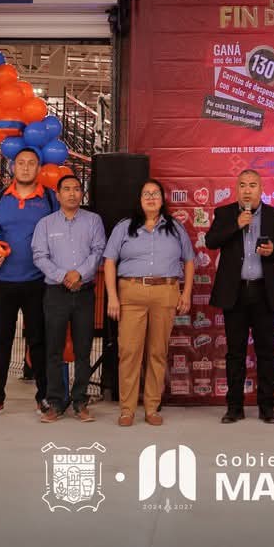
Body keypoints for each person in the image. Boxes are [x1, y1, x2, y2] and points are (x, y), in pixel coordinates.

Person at [204, 169, 274, 424]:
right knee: (235, 353)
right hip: (235, 293)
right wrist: (236, 225)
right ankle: (234, 407)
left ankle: (267, 407)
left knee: (266, 353)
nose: (247, 190)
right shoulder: (225, 214)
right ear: (237, 189)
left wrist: (273, 249)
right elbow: (211, 241)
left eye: (252, 185)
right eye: (242, 185)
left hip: (264, 292)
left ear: (261, 189)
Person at [102, 178, 194, 427]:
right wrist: (112, 296)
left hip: (165, 293)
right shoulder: (124, 227)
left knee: (157, 352)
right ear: (140, 200)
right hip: (131, 293)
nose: (151, 197)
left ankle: (152, 407)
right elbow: (109, 261)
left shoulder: (175, 228)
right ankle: (127, 410)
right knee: (129, 352)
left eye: (155, 193)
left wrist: (186, 293)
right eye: (146, 194)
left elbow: (189, 260)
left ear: (162, 199)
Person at [0, 147, 58, 417]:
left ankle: (44, 396)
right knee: (1, 341)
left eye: (31, 163)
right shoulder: (0, 198)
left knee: (38, 341)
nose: (25, 167)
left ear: (39, 168)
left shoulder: (49, 199)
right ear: (13, 167)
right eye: (21, 163)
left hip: (38, 281)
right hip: (3, 282)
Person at [33, 172, 106, 423]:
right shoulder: (45, 224)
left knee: (84, 349)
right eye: (67, 189)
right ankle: (55, 402)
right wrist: (64, 276)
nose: (72, 193)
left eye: (76, 189)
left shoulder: (93, 221)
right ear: (58, 195)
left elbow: (98, 250)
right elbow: (39, 256)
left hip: (84, 292)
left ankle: (80, 401)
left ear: (81, 193)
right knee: (53, 349)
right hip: (55, 292)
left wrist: (79, 274)